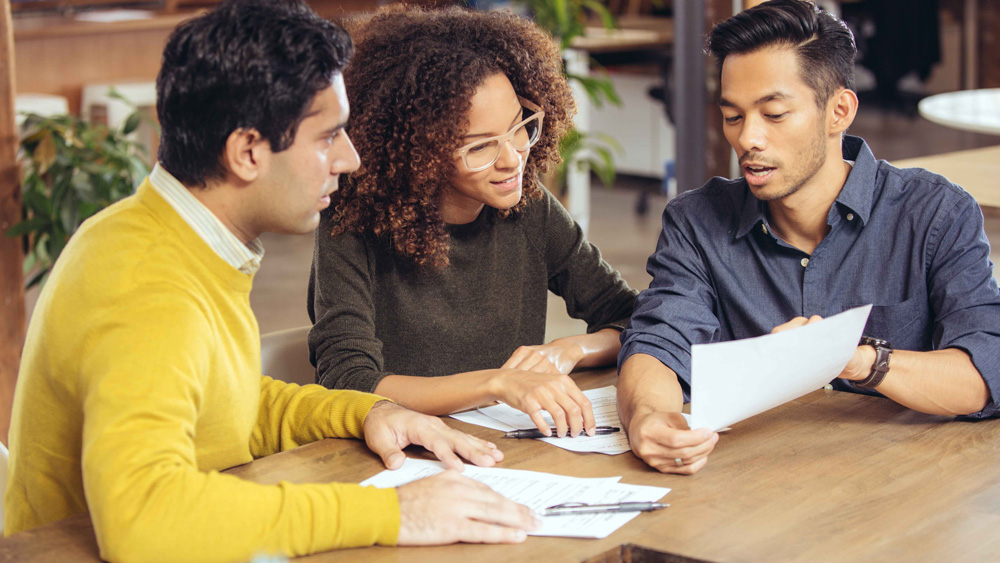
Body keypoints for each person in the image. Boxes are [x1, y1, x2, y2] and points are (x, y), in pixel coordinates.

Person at [4, 1, 540, 560]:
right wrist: (394, 513)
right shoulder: (146, 286)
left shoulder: (169, 238)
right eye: (328, 136)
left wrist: (370, 412)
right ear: (247, 151)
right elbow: (143, 519)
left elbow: (219, 401)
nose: (351, 159)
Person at [617, 0, 1000, 475]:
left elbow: (985, 371)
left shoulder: (934, 214)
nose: (748, 139)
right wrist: (649, 419)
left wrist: (854, 360)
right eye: (733, 116)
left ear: (839, 110)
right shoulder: (697, 222)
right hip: (756, 492)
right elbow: (658, 342)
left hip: (903, 490)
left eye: (774, 114)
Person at [308, 5, 637, 438]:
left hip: (502, 446)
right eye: (479, 147)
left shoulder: (528, 208)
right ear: (418, 155)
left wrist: (569, 349)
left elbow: (633, 317)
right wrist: (497, 383)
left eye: (519, 127)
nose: (512, 159)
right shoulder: (354, 221)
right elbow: (349, 382)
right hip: (400, 453)